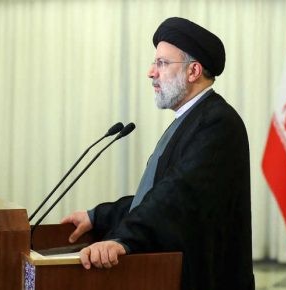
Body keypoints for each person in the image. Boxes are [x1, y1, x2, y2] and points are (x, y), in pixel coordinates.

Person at [61, 17, 255, 290]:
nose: (151, 72)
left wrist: (123, 240)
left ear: (193, 71)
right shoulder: (189, 119)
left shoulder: (218, 122)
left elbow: (177, 198)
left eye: (162, 63)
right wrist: (98, 217)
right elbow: (155, 195)